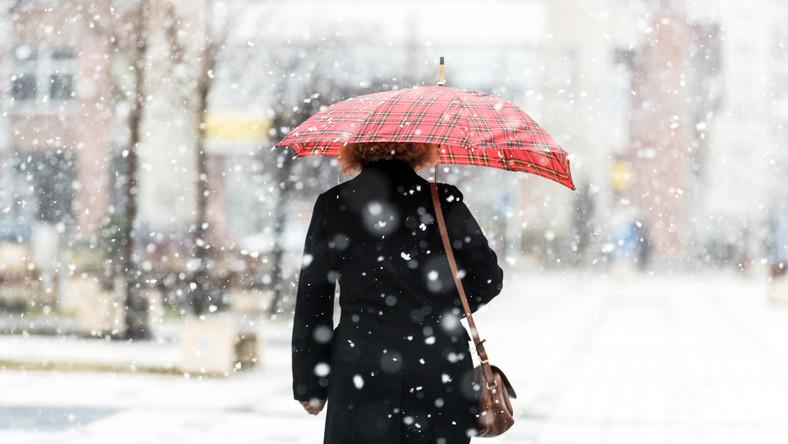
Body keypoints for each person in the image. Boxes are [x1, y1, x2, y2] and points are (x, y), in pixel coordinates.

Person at [291, 141, 504, 444]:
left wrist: (310, 385)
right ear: (419, 148)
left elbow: (313, 299)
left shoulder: (334, 204)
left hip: (361, 362)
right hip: (438, 363)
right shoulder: (442, 201)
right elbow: (489, 279)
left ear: (355, 149)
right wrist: (439, 308)